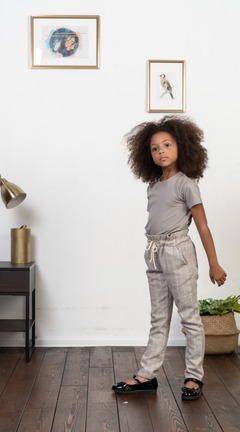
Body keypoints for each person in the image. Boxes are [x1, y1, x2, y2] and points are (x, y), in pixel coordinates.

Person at [112, 116, 227, 400]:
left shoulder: (186, 185)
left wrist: (214, 263)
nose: (160, 151)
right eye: (154, 148)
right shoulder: (153, 187)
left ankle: (193, 377)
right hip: (153, 254)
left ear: (182, 147)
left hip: (178, 252)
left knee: (189, 317)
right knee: (158, 318)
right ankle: (147, 375)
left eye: (167, 144)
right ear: (146, 154)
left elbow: (202, 226)